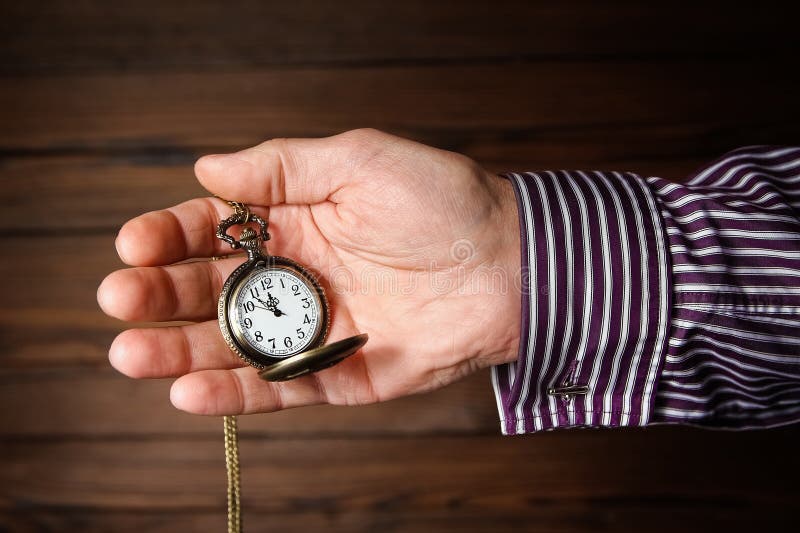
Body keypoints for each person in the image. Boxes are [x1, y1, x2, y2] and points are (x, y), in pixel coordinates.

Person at [97, 128, 800, 434]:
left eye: (276, 308)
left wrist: (507, 251)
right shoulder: (271, 283)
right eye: (269, 316)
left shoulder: (278, 283)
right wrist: (515, 261)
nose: (279, 314)